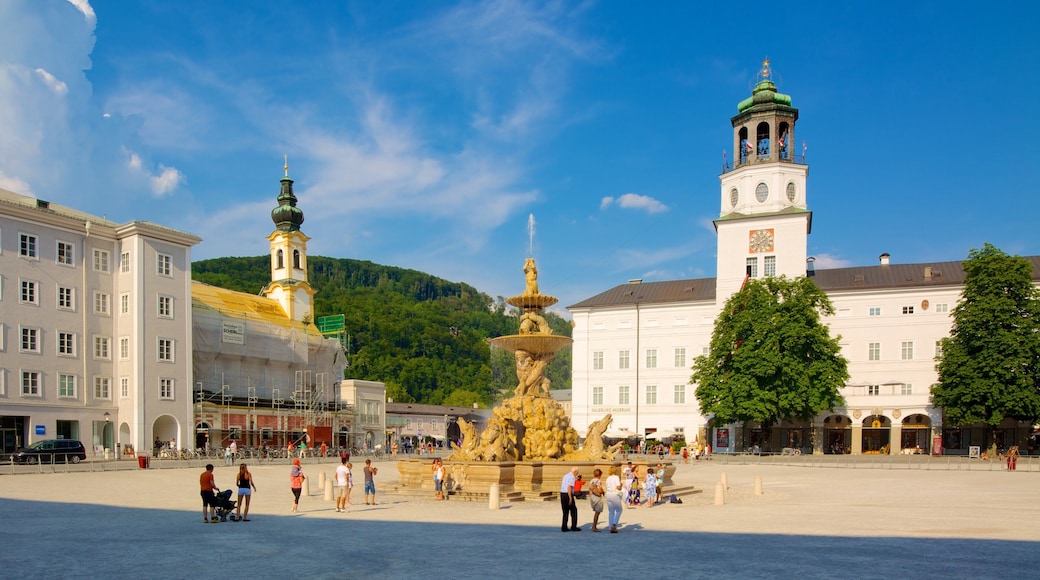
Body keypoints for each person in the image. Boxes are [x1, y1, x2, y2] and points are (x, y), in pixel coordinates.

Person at [559, 467, 580, 532]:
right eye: (577, 472)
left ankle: (564, 526)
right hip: (567, 494)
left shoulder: (566, 475)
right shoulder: (572, 477)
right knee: (574, 510)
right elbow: (569, 487)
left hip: (562, 493)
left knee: (565, 511)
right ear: (575, 472)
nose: (577, 474)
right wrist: (570, 498)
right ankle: (573, 526)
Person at [605, 466, 623, 533]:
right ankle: (614, 524)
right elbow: (618, 487)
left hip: (608, 494)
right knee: (619, 510)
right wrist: (621, 485)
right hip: (614, 494)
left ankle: (610, 526)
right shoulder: (616, 477)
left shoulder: (608, 478)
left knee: (611, 511)